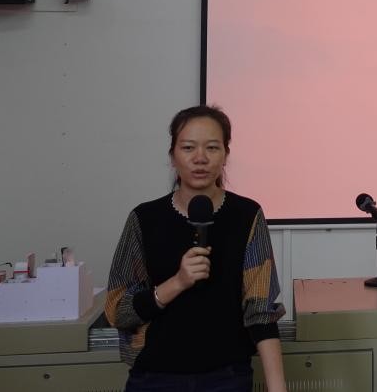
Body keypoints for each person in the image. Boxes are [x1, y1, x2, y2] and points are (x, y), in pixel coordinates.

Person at [105, 105, 287, 392]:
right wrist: (177, 282)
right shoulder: (144, 218)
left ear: (225, 155)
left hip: (227, 377)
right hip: (154, 377)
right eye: (188, 147)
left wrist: (277, 387)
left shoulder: (247, 215)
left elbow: (261, 312)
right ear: (172, 156)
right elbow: (118, 310)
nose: (200, 158)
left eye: (212, 148)